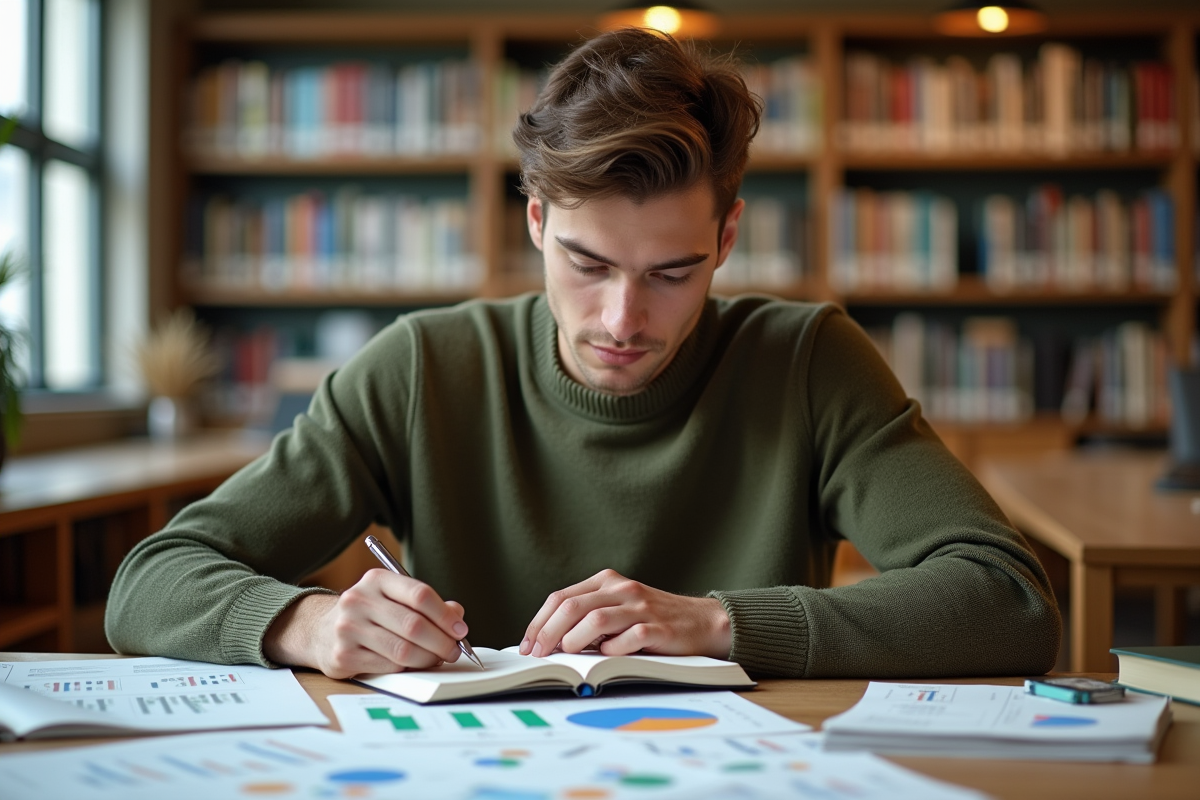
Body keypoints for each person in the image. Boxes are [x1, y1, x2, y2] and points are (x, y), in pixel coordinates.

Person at [107, 28, 1060, 680]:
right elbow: (152, 580)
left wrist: (718, 624)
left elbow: (1010, 600)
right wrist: (307, 624)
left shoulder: (807, 360)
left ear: (726, 239)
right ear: (535, 220)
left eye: (674, 272)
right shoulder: (422, 369)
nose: (621, 317)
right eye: (587, 262)